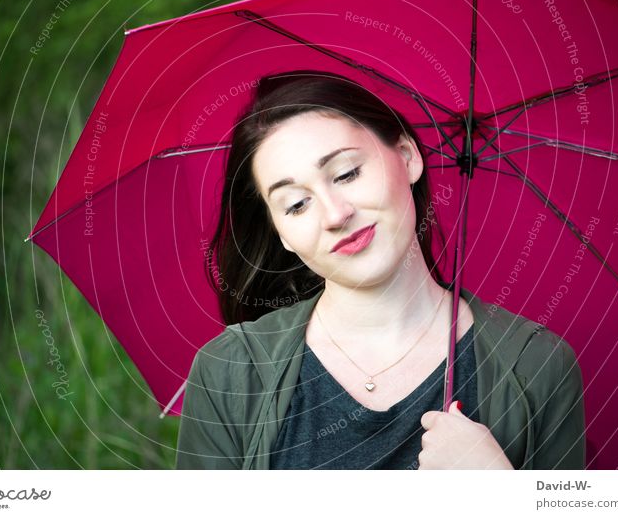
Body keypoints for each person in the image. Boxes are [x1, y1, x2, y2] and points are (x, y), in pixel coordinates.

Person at [175, 70, 586, 470]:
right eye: (297, 204)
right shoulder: (230, 372)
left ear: (406, 157)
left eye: (347, 173)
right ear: (281, 232)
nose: (335, 214)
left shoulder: (536, 366)